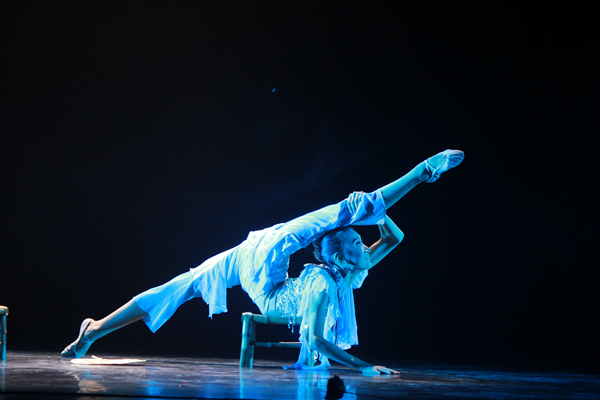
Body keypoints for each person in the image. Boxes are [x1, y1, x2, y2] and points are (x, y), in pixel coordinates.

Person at [61, 149, 464, 374]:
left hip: (259, 263)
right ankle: (93, 331)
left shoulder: (349, 267)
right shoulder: (325, 278)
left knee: (183, 285)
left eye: (361, 239)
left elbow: (392, 237)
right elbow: (317, 338)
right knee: (332, 216)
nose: (365, 244)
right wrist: (365, 367)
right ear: (343, 254)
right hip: (266, 256)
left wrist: (370, 214)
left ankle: (93, 330)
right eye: (358, 239)